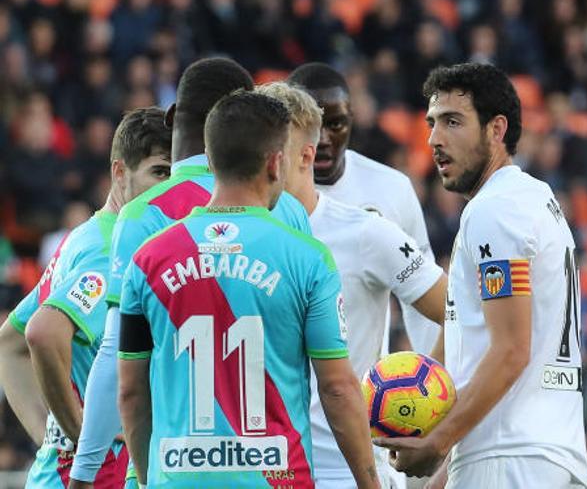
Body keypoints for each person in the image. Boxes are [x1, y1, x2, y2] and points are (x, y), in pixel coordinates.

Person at [116, 90, 378, 488]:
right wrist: (370, 483)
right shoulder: (308, 258)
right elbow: (338, 387)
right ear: (276, 163)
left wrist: (150, 479)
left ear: (211, 158)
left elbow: (131, 391)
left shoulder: (148, 259)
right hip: (276, 477)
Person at [71, 57, 312, 488]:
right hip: (273, 467)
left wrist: (86, 471)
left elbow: (116, 359)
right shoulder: (288, 210)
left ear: (171, 118)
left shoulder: (141, 215)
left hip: (176, 466)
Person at [373, 63, 587, 488]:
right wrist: (451, 467)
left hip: (510, 458)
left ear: (496, 129)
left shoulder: (496, 210)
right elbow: (471, 339)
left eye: (453, 122)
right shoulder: (532, 197)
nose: (435, 139)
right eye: (432, 123)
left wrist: (438, 441)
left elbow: (511, 350)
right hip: (540, 452)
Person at [255, 82, 448, 489]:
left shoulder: (366, 233)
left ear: (305, 155)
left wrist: (429, 393)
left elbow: (461, 311)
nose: (261, 165)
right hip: (258, 466)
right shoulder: (239, 237)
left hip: (346, 473)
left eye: (273, 153)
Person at [0, 107, 172, 488]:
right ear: (120, 173)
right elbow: (42, 334)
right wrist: (81, 441)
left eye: (176, 175)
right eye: (159, 172)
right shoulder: (110, 250)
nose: (170, 189)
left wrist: (52, 438)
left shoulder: (88, 235)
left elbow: (9, 344)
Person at [287, 63, 441, 356]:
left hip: (364, 396)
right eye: (312, 127)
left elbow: (424, 300)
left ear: (352, 120)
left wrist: (432, 374)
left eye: (335, 124)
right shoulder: (268, 197)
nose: (323, 140)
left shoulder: (392, 189)